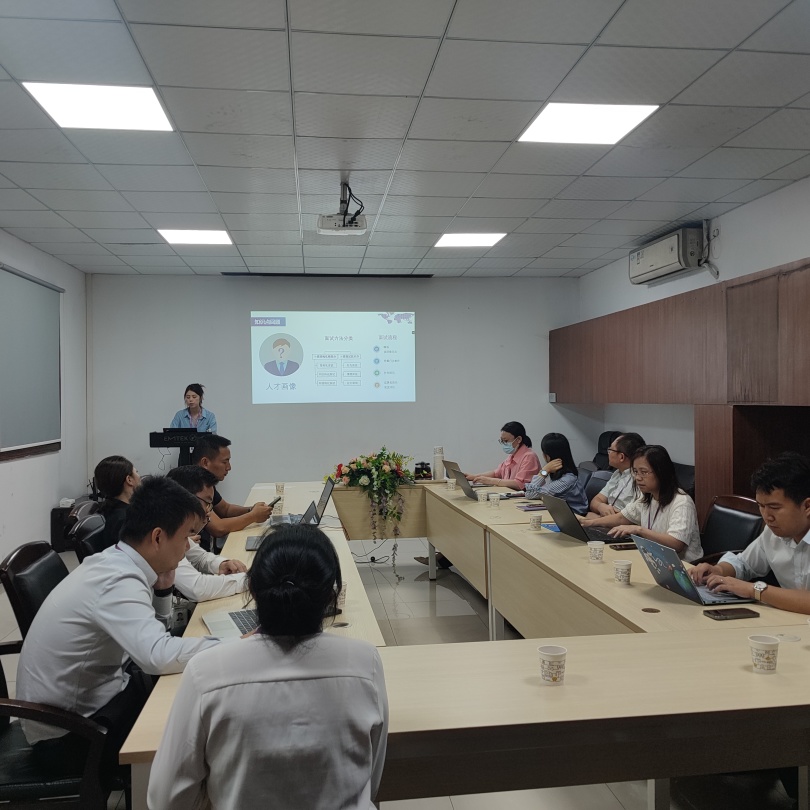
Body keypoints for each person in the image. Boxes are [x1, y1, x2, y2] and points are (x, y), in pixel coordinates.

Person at [147, 524, 389, 810]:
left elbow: (166, 800)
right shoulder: (365, 662)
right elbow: (371, 780)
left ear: (252, 589)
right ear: (330, 597)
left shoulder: (206, 672)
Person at [17, 476, 220, 779]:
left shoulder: (117, 560)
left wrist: (163, 592)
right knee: (194, 735)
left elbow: (154, 639)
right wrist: (231, 645)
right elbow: (157, 656)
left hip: (95, 704)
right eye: (185, 537)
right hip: (71, 737)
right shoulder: (118, 579)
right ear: (157, 537)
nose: (186, 548)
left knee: (190, 699)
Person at [689, 452, 810, 612]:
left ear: (807, 506)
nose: (767, 516)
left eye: (774, 507)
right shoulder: (772, 533)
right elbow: (744, 564)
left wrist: (755, 590)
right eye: (761, 506)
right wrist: (719, 570)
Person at [581, 444, 703, 561]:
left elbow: (676, 543)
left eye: (644, 472)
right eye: (635, 472)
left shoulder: (682, 502)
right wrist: (589, 523)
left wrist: (638, 530)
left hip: (683, 566)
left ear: (662, 472)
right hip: (655, 558)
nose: (638, 478)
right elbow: (622, 517)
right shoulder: (648, 497)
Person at [166, 465, 249, 601]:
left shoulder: (176, 527)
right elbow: (198, 588)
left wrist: (222, 564)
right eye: (207, 503)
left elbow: (200, 558)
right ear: (186, 498)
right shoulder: (165, 533)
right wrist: (249, 580)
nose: (208, 512)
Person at [193, 434, 273, 550]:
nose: (229, 467)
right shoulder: (193, 487)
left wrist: (251, 509)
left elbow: (226, 509)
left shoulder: (206, 483)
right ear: (205, 463)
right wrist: (253, 516)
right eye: (224, 462)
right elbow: (218, 528)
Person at [525, 432, 588, 515]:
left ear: (547, 456)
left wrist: (544, 471)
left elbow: (530, 493)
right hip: (559, 512)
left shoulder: (567, 480)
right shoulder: (557, 473)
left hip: (572, 517)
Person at [466, 421, 540, 491]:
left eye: (506, 441)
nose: (504, 444)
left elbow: (519, 484)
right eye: (502, 441)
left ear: (518, 439)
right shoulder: (512, 456)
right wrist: (474, 477)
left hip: (524, 498)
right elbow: (496, 473)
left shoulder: (529, 457)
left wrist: (491, 481)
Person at [588, 432, 646, 516]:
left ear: (621, 457)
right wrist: (601, 506)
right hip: (607, 519)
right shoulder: (617, 473)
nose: (608, 453)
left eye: (610, 450)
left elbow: (633, 517)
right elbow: (596, 501)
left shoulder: (640, 480)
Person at [94, 455, 141, 551]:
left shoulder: (108, 510)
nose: (139, 477)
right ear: (129, 480)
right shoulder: (125, 519)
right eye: (137, 472)